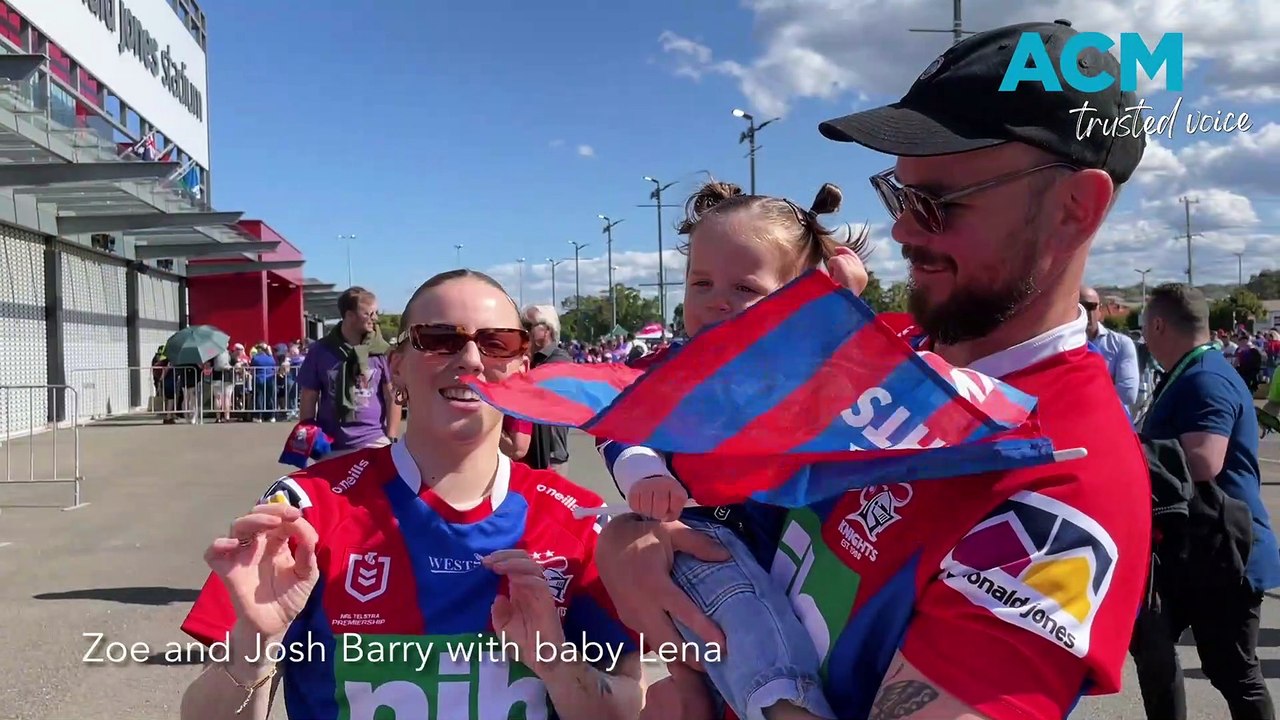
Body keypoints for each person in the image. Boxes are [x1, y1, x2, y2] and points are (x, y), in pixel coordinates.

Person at [595, 19, 1151, 720]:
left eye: (938, 203)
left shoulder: (1068, 474)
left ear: (1075, 210)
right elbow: (686, 490)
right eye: (898, 194)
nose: (903, 230)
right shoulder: (867, 356)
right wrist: (627, 537)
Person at [177, 269, 643, 720]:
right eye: (440, 340)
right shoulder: (305, 510)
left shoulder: (581, 521)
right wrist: (254, 647)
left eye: (496, 343)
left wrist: (557, 665)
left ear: (522, 368)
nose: (471, 360)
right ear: (396, 367)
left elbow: (629, 707)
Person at [601, 180, 870, 720]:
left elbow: (864, 356)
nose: (717, 300)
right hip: (705, 535)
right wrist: (645, 474)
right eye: (700, 282)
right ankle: (784, 708)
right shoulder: (670, 372)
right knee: (742, 619)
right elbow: (620, 427)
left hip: (794, 554)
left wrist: (843, 294)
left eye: (745, 287)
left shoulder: (815, 368)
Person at [1132, 283, 1280, 720]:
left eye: (1144, 326)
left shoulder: (1204, 378)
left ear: (1158, 324)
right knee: (1153, 646)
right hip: (1192, 548)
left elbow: (1202, 461)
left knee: (1233, 670)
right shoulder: (1194, 371)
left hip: (1225, 551)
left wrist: (1127, 451)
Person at [297, 287, 401, 454]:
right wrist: (309, 435)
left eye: (375, 313)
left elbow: (392, 395)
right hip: (330, 444)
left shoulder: (382, 351)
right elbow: (309, 395)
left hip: (374, 441)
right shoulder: (320, 350)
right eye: (368, 314)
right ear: (349, 315)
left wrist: (391, 437)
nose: (374, 319)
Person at [521, 304, 573, 469]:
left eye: (529, 326)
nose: (524, 332)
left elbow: (535, 391)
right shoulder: (533, 359)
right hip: (531, 454)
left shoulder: (559, 360)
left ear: (547, 330)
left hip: (551, 456)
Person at [1080, 286, 1140, 414]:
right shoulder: (1061, 345)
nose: (1088, 313)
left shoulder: (1121, 344)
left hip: (1114, 423)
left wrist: (1078, 389)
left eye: (1092, 307)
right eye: (1083, 307)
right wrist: (1108, 383)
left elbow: (1128, 393)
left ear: (1099, 310)